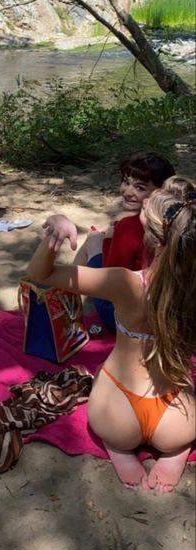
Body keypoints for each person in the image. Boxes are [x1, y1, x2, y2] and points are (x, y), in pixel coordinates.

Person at [25, 176, 195, 492]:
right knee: (181, 423)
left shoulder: (126, 283)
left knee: (107, 386)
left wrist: (54, 230)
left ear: (154, 239)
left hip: (118, 417)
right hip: (178, 420)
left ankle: (120, 451)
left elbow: (38, 275)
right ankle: (174, 452)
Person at [43, 151, 175, 332]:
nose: (128, 191)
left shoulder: (129, 227)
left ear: (159, 193)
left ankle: (62, 300)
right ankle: (63, 296)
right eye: (126, 182)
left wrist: (108, 240)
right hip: (164, 312)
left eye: (140, 187)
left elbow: (109, 280)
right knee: (99, 236)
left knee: (94, 238)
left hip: (125, 320)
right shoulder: (177, 220)